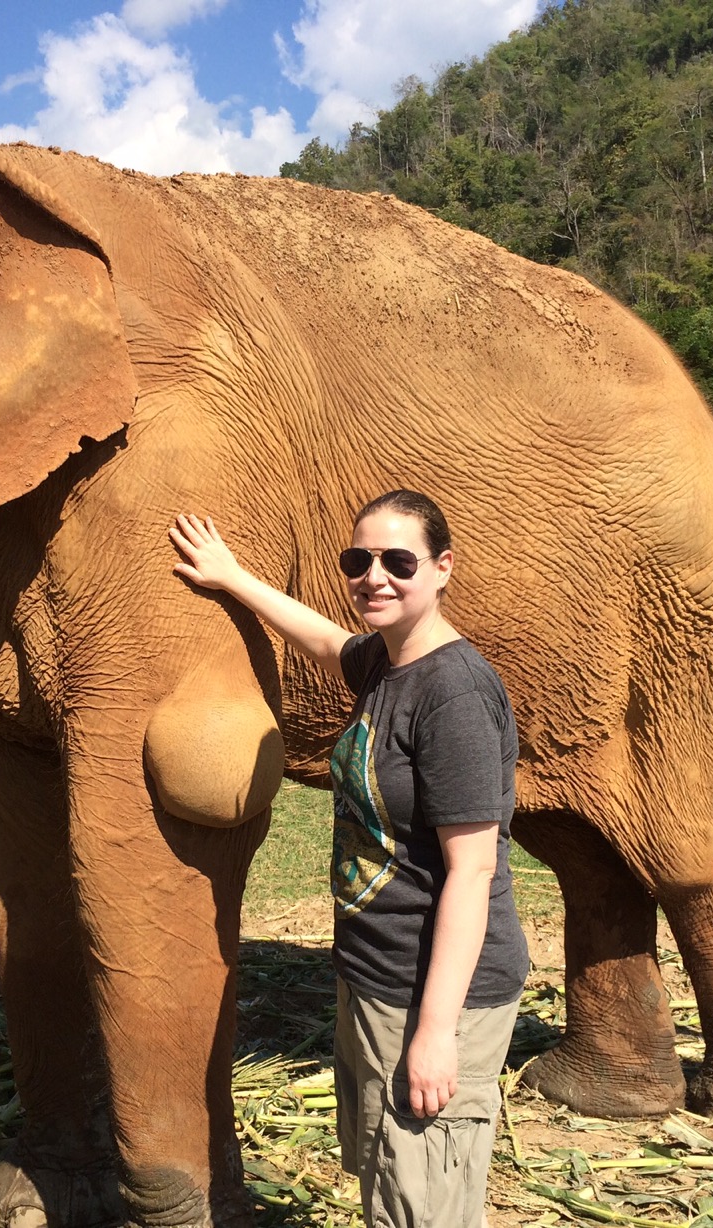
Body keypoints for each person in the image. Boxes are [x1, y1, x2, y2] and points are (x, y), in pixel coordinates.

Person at [169, 490, 528, 1228]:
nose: (375, 577)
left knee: (422, 1204)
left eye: (399, 561)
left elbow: (474, 870)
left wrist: (435, 1033)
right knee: (387, 1183)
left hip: (437, 991)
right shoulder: (390, 666)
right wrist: (233, 576)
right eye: (358, 560)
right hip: (377, 973)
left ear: (442, 567)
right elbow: (330, 643)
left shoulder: (453, 694)